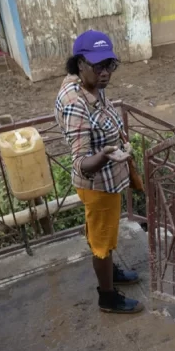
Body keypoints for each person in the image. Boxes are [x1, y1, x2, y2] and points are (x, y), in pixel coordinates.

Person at [56, 30, 143, 314]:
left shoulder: (89, 84)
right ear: (80, 63)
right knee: (102, 242)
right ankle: (107, 297)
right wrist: (105, 155)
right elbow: (80, 163)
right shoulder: (75, 104)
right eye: (98, 66)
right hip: (98, 185)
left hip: (110, 180)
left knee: (103, 234)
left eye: (110, 65)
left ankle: (110, 272)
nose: (105, 73)